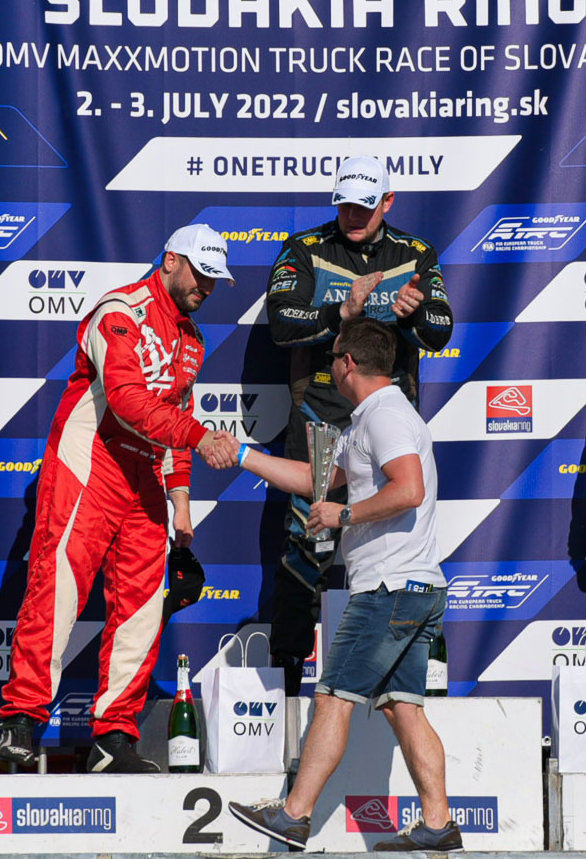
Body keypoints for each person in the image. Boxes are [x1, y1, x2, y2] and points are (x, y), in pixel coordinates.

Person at [0, 224, 242, 772]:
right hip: (92, 459)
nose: (207, 286)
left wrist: (181, 500)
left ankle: (112, 739)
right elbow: (128, 400)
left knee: (142, 607)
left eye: (215, 279)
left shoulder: (193, 340)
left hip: (146, 474)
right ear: (171, 260)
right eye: (201, 273)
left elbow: (175, 417)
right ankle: (22, 720)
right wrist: (200, 437)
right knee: (58, 588)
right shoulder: (119, 310)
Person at [228, 318, 461, 852]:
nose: (329, 368)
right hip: (413, 587)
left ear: (348, 363)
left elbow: (409, 489)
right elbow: (316, 482)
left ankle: (294, 814)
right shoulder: (369, 420)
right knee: (404, 707)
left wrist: (345, 515)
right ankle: (438, 824)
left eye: (332, 358)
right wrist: (242, 455)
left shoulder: (386, 416)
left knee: (333, 697)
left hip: (388, 589)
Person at [265, 156, 453, 694]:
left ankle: (408, 685)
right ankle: (288, 684)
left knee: (396, 548)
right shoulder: (306, 248)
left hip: (387, 418)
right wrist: (340, 314)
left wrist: (415, 314)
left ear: (387, 203)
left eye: (364, 207)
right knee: (306, 551)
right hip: (321, 418)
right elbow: (281, 321)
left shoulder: (415, 253)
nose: (352, 215)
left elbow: (441, 331)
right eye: (345, 204)